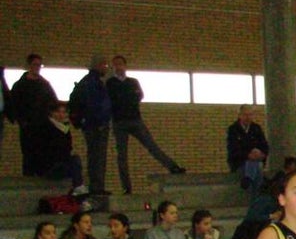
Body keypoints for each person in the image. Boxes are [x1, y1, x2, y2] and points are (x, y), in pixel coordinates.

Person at [107, 55, 184, 194]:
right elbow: (113, 100)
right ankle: (126, 186)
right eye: (115, 65)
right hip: (119, 122)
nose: (118, 67)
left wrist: (124, 98)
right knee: (122, 155)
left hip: (135, 119)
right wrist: (126, 98)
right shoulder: (110, 83)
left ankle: (173, 167)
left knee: (151, 145)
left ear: (125, 66)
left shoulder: (133, 81)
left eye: (120, 64)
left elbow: (139, 96)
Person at [9, 53, 60, 176]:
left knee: (43, 154)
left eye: (39, 65)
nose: (37, 67)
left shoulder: (44, 85)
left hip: (43, 126)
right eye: (35, 65)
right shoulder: (19, 85)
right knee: (28, 154)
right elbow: (14, 105)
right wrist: (22, 121)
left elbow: (53, 102)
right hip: (28, 127)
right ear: (29, 65)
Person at [70, 55, 113, 196]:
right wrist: (98, 121)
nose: (106, 68)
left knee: (97, 157)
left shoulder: (93, 82)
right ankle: (96, 187)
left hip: (95, 124)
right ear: (97, 65)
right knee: (97, 158)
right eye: (104, 65)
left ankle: (97, 185)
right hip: (96, 126)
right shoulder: (91, 83)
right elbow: (93, 105)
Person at [27, 101, 86, 194]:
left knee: (75, 161)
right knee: (75, 162)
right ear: (51, 113)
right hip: (49, 167)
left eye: (64, 112)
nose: (61, 115)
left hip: (60, 163)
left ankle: (78, 188)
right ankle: (79, 188)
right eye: (58, 112)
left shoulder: (65, 128)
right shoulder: (46, 128)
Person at [226, 105, 269, 194]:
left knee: (256, 164)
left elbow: (265, 146)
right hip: (240, 162)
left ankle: (248, 178)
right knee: (257, 167)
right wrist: (248, 155)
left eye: (250, 115)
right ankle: (256, 195)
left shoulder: (256, 128)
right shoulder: (233, 129)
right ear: (239, 115)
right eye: (245, 115)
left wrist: (260, 153)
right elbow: (233, 149)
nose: (248, 117)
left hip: (257, 160)